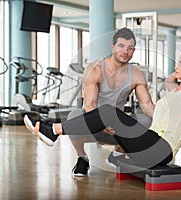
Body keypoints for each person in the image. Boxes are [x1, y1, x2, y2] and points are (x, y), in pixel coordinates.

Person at [24, 48, 181, 169]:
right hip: (150, 144)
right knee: (111, 117)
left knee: (110, 112)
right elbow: (172, 79)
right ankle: (54, 130)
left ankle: (54, 130)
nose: (176, 66)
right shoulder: (175, 90)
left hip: (161, 150)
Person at [35, 27, 155, 176]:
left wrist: (166, 120)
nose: (125, 51)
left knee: (145, 119)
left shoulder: (136, 74)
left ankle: (116, 156)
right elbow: (90, 104)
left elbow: (147, 105)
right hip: (92, 126)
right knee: (74, 115)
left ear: (134, 50)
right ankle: (82, 158)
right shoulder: (96, 69)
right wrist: (102, 123)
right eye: (121, 46)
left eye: (130, 48)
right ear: (112, 47)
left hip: (116, 128)